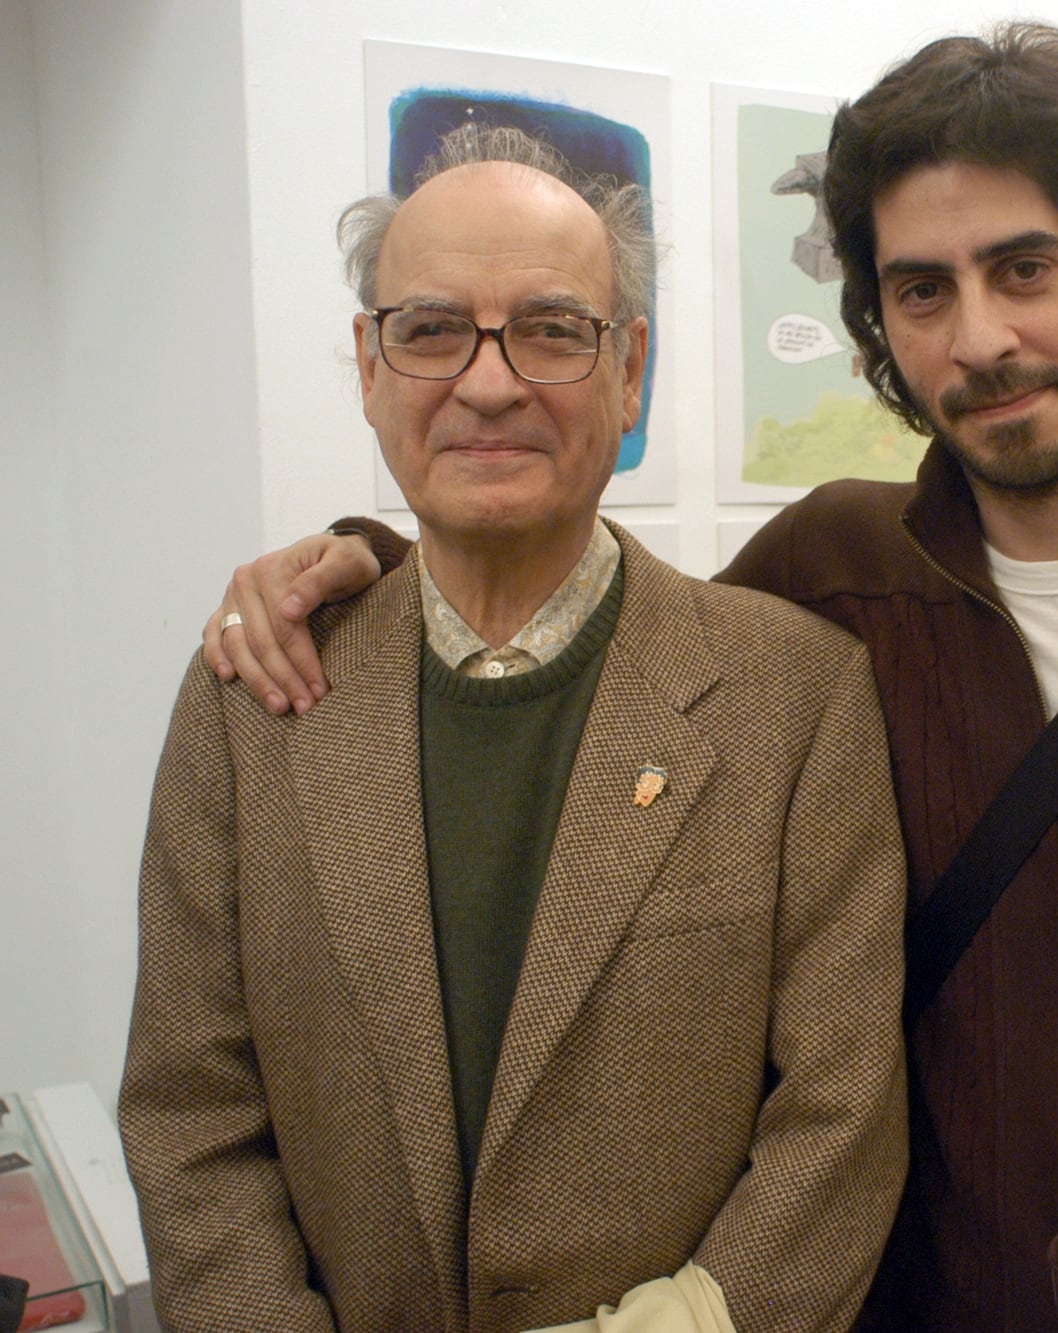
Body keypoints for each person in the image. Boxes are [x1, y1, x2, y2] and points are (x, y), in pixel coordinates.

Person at [204, 25, 1058, 1333]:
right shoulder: (831, 573)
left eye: (1025, 268)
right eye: (922, 290)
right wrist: (372, 562)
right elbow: (595, 631)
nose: (976, 338)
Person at [122, 125, 908, 1333]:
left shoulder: (793, 697)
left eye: (551, 330)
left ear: (629, 368)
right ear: (370, 367)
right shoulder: (249, 700)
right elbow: (190, 1109)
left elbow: (841, 1113)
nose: (488, 383)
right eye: (431, 330)